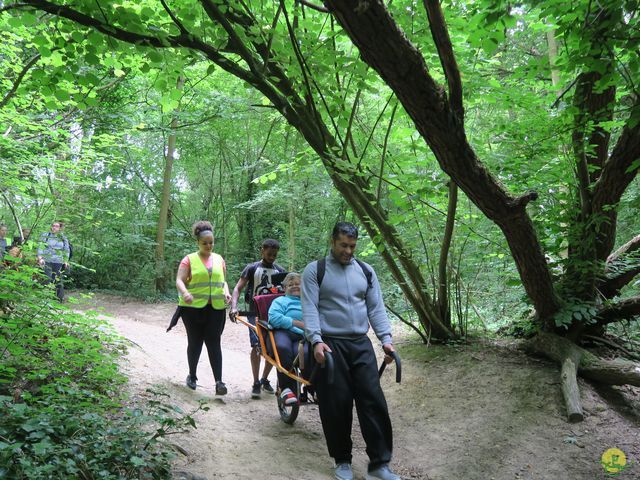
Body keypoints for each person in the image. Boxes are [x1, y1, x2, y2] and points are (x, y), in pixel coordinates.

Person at [301, 222, 400, 480]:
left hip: (360, 343)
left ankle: (379, 465)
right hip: (331, 345)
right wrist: (316, 340)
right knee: (336, 404)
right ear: (333, 241)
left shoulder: (366, 271)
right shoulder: (316, 271)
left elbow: (376, 308)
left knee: (373, 402)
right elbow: (310, 308)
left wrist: (385, 339)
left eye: (352, 246)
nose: (348, 251)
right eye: (343, 245)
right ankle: (342, 460)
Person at [176, 221, 231, 395]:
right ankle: (192, 375)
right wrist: (185, 292)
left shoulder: (219, 259)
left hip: (215, 308)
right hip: (192, 309)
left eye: (211, 242)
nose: (209, 245)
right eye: (205, 243)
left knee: (214, 343)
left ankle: (219, 382)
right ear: (198, 243)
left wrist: (226, 292)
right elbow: (179, 280)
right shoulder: (188, 259)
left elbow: (223, 281)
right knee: (195, 342)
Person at [229, 239, 286, 398]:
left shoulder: (280, 271)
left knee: (273, 348)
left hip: (274, 315)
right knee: (256, 346)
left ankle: (264, 379)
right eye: (269, 254)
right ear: (262, 251)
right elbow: (238, 288)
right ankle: (255, 381)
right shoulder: (252, 268)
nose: (272, 257)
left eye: (274, 255)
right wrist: (234, 307)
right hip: (254, 314)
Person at [267, 272, 308, 406]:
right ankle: (286, 389)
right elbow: (274, 318)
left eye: (297, 284)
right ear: (284, 288)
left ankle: (311, 387)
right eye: (290, 285)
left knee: (305, 354)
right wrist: (296, 323)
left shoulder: (308, 302)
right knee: (283, 348)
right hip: (283, 332)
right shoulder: (280, 301)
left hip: (302, 336)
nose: (295, 286)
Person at [37, 221, 70, 302]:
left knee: (58, 280)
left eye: (56, 226)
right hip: (47, 260)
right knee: (47, 278)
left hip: (59, 261)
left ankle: (59, 299)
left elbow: (66, 250)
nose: (54, 227)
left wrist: (65, 261)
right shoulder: (45, 236)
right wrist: (40, 258)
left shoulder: (63, 238)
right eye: (53, 226)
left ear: (59, 228)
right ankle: (44, 299)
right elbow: (40, 247)